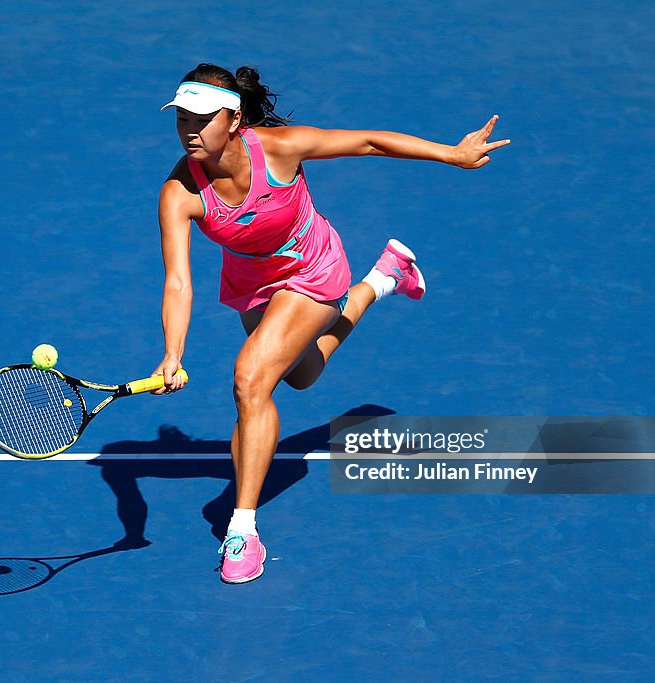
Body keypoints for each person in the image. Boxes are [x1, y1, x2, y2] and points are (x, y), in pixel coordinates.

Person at [151, 63, 510, 584]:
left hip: (310, 265)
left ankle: (242, 528)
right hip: (252, 280)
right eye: (182, 115)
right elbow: (178, 282)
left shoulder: (277, 148)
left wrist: (451, 154)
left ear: (232, 119)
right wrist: (173, 352)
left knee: (251, 379)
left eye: (202, 117)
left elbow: (366, 142)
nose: (189, 127)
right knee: (301, 373)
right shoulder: (179, 192)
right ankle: (383, 278)